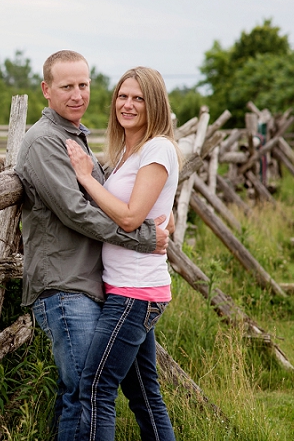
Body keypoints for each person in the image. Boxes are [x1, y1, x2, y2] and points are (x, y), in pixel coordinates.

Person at [15, 50, 170, 441]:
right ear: (46, 90)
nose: (77, 94)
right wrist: (143, 238)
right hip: (65, 284)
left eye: (83, 85)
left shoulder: (76, 136)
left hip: (96, 283)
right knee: (84, 391)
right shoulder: (44, 141)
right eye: (66, 86)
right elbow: (75, 212)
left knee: (90, 392)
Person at [66, 66, 180, 441]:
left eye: (138, 98)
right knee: (144, 395)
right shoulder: (130, 151)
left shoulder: (158, 148)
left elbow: (130, 217)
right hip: (126, 289)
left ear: (155, 105)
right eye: (122, 96)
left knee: (95, 387)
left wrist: (85, 178)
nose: (127, 105)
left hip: (135, 292)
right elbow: (148, 206)